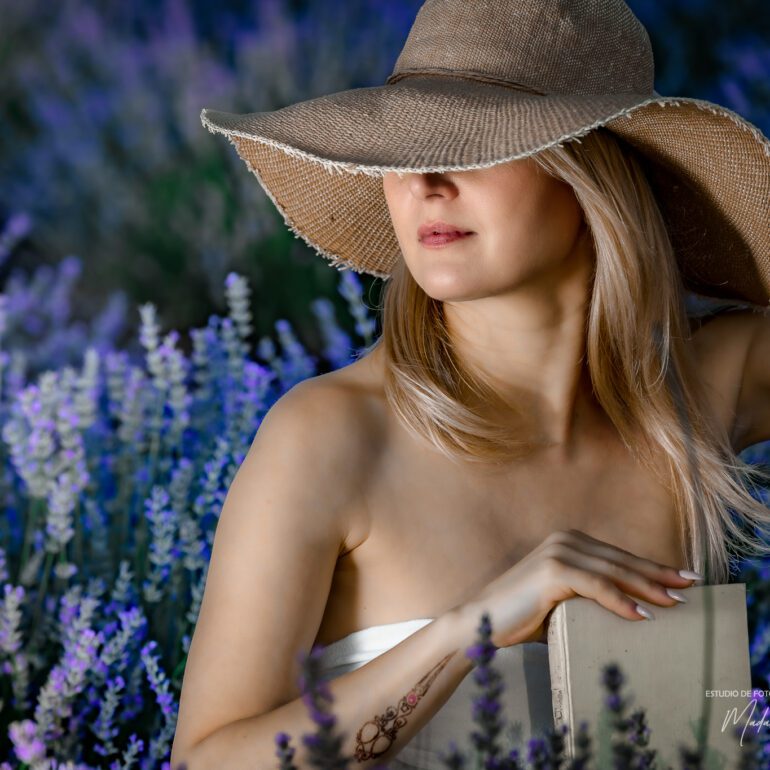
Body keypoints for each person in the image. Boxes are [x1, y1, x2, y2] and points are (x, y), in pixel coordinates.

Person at [171, 1, 770, 768]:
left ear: (593, 172)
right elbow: (204, 761)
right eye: (403, 149)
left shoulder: (698, 395)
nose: (423, 180)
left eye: (475, 143)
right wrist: (471, 629)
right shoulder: (331, 438)